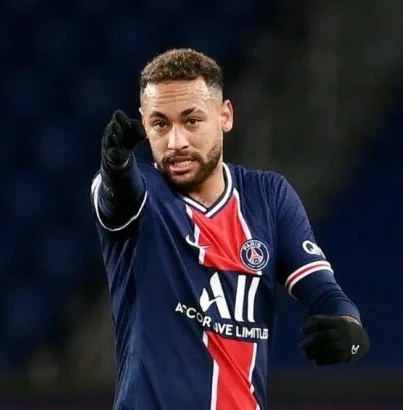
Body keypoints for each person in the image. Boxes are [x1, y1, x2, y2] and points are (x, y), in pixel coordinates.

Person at [89, 48, 370, 410]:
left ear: (225, 116)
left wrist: (349, 328)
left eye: (192, 121)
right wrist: (115, 167)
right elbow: (118, 197)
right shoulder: (143, 196)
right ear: (143, 124)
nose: (176, 142)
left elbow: (325, 293)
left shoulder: (267, 196)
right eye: (160, 124)